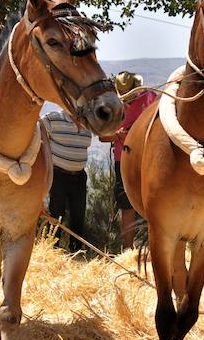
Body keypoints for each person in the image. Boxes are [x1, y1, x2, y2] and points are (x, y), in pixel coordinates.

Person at [100, 71, 156, 250]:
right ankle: (128, 249)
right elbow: (102, 137)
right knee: (126, 206)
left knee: (153, 203)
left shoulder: (150, 98)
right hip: (122, 161)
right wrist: (117, 135)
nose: (128, 101)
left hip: (148, 158)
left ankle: (155, 246)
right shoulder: (111, 107)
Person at [41, 107, 92, 253]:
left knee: (78, 214)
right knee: (56, 213)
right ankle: (52, 250)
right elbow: (37, 126)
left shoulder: (89, 121)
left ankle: (76, 250)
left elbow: (104, 131)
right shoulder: (53, 118)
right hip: (58, 175)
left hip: (79, 176)